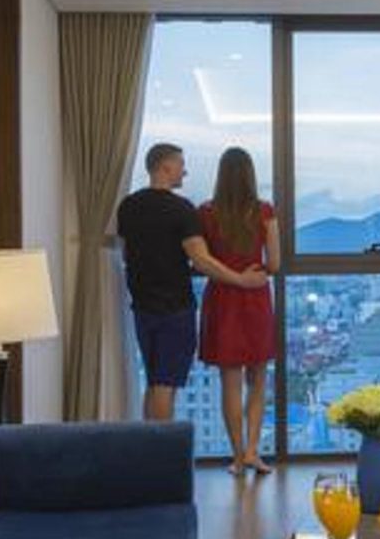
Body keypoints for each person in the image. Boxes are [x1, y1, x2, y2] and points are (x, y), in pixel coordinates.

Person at [115, 142, 268, 423]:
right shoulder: (181, 209)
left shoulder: (129, 206)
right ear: (165, 167)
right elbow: (201, 260)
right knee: (166, 383)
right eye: (181, 165)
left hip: (141, 305)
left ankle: (147, 444)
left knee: (154, 380)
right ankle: (164, 448)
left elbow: (127, 253)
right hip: (174, 306)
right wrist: (241, 280)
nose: (184, 173)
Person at [197, 147, 280, 473]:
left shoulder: (206, 212)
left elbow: (201, 259)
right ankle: (253, 451)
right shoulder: (264, 211)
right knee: (257, 380)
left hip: (222, 298)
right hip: (256, 297)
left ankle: (236, 457)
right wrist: (256, 271)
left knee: (229, 382)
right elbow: (275, 262)